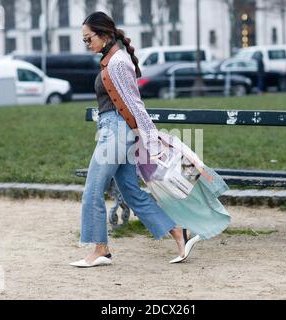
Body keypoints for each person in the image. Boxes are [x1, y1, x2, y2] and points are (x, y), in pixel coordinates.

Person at [70, 12, 200, 268]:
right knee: (130, 190)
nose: (86, 44)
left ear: (104, 34)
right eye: (84, 40)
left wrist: (150, 139)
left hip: (117, 132)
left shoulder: (118, 62)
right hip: (114, 130)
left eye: (88, 39)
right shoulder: (112, 60)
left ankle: (100, 249)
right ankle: (179, 233)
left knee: (93, 189)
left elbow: (135, 104)